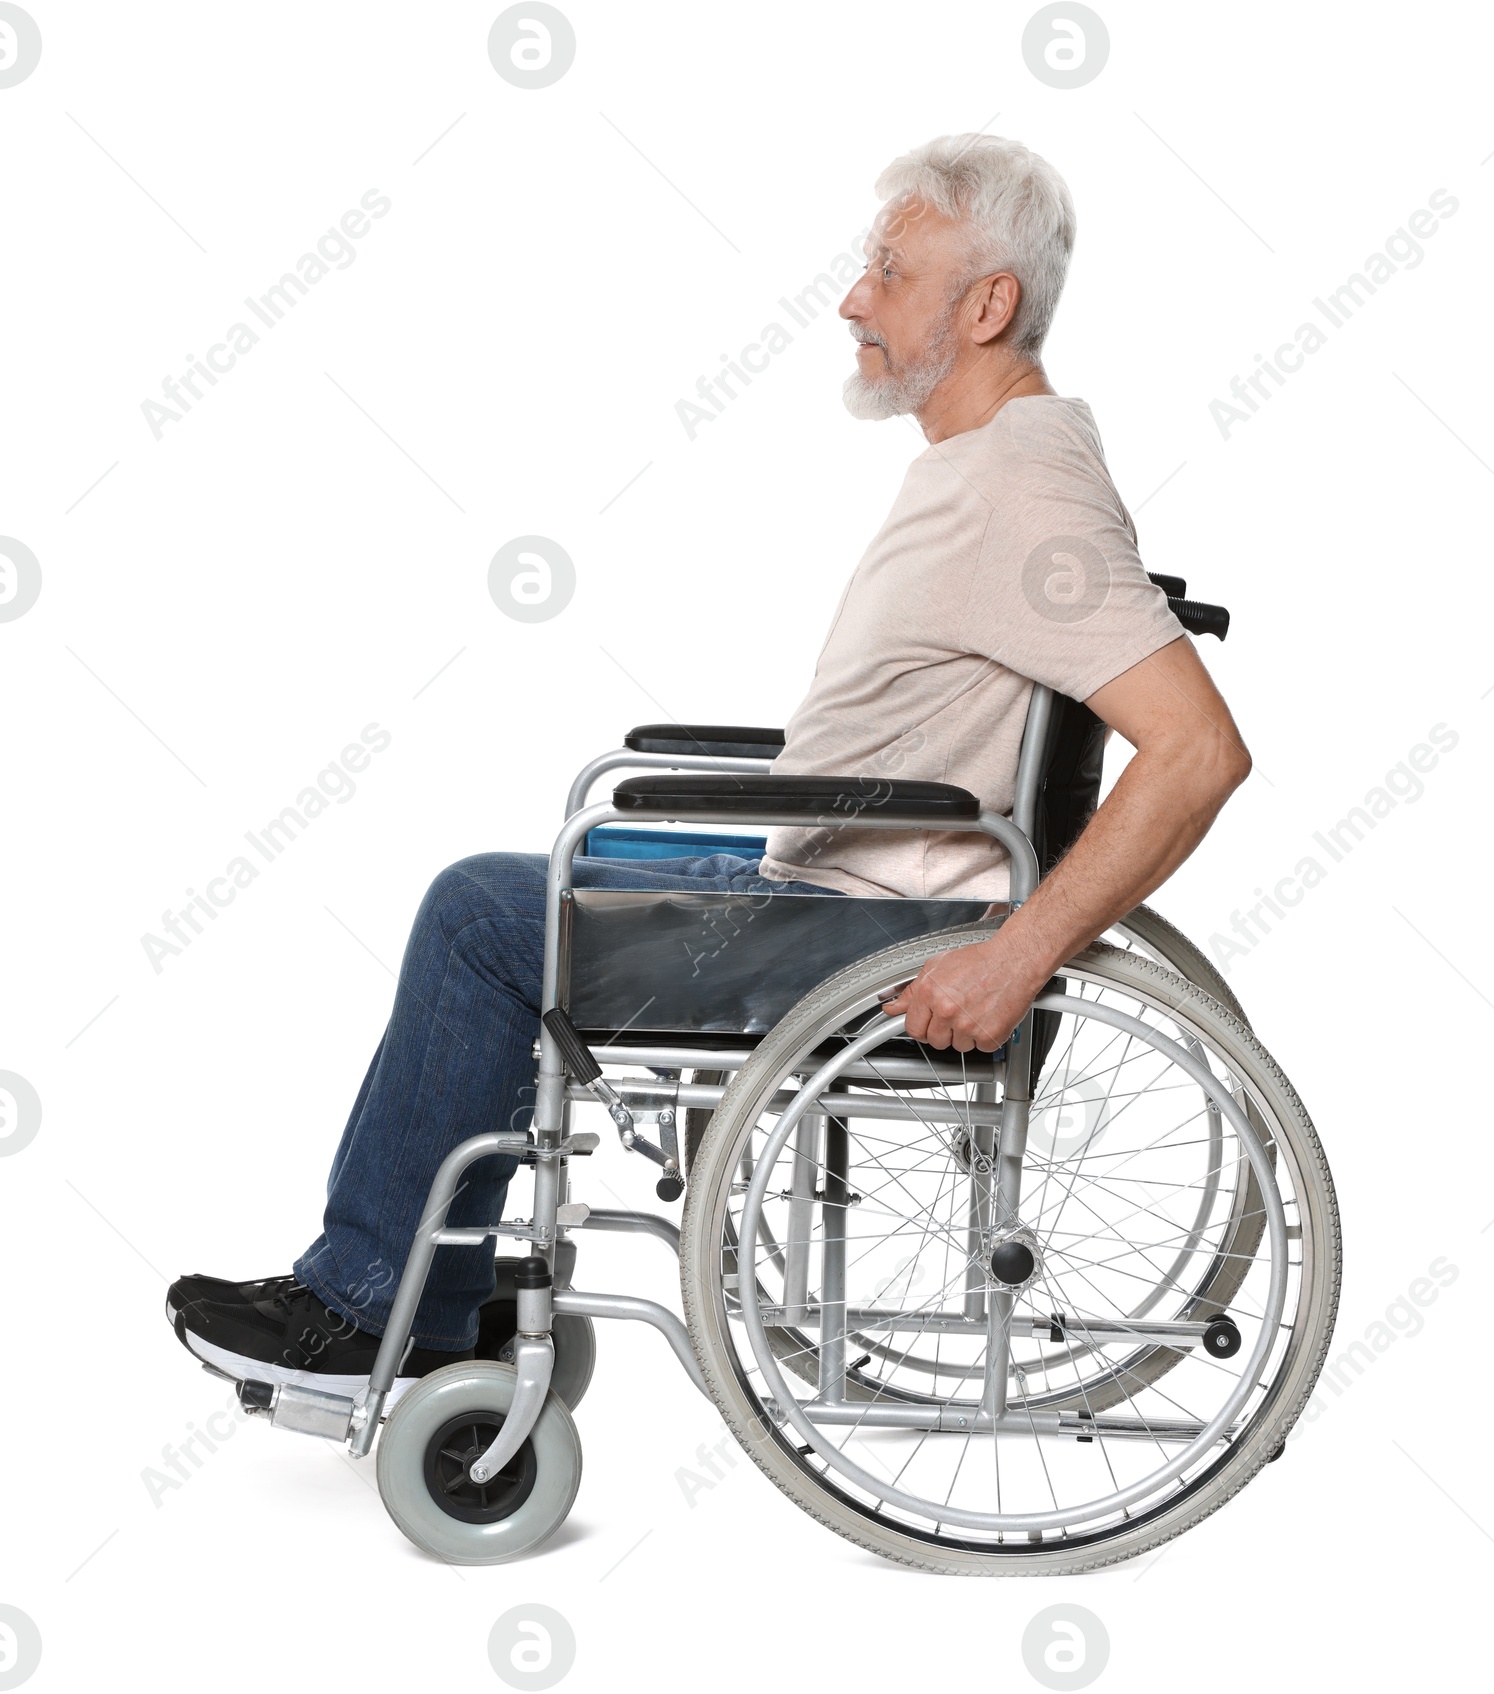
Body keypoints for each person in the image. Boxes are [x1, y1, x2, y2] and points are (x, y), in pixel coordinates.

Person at [169, 132, 1251, 1398]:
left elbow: (1198, 751)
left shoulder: (1025, 483)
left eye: (891, 271)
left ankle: (371, 1309)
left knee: (484, 914)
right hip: (842, 876)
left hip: (868, 925)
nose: (854, 296)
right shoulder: (988, 464)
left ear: (988, 303)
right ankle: (433, 1298)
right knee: (565, 864)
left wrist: (1017, 957)